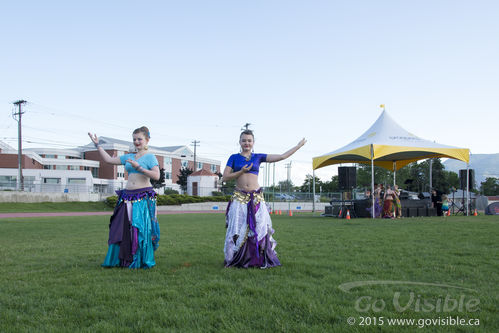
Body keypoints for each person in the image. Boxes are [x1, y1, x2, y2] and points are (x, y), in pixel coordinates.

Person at [223, 130, 306, 268]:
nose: (246, 143)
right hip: (239, 198)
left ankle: (258, 258)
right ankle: (237, 258)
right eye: (244, 140)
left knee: (260, 227)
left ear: (253, 142)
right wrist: (241, 172)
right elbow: (225, 177)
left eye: (249, 140)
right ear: (240, 142)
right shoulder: (233, 157)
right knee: (237, 228)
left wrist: (298, 146)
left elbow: (282, 156)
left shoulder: (258, 157)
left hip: (256, 199)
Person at [88, 126, 161, 269]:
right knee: (120, 228)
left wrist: (139, 167)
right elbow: (109, 160)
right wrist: (97, 145)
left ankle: (138, 260)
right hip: (127, 196)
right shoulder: (129, 157)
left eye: (140, 139)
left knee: (138, 229)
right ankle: (121, 259)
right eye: (134, 139)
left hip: (142, 197)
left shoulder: (150, 157)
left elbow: (156, 176)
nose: (137, 142)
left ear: (147, 140)